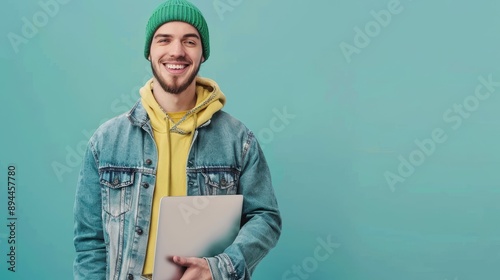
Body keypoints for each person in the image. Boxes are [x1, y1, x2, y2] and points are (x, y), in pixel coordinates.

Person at [72, 0, 282, 279]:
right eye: (164, 40)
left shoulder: (239, 139)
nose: (177, 51)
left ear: (203, 54)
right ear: (149, 51)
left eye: (190, 41)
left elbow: (265, 218)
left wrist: (219, 267)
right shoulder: (107, 141)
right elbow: (90, 243)